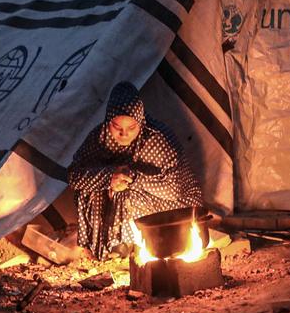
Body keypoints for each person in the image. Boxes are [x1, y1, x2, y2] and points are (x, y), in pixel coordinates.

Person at [68, 82, 204, 259]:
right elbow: (74, 175)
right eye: (117, 127)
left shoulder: (157, 138)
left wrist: (134, 178)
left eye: (131, 128)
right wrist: (109, 177)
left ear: (140, 122)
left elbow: (174, 190)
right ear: (108, 121)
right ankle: (108, 244)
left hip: (178, 206)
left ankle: (136, 243)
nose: (124, 134)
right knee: (88, 189)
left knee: (126, 192)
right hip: (129, 198)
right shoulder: (100, 138)